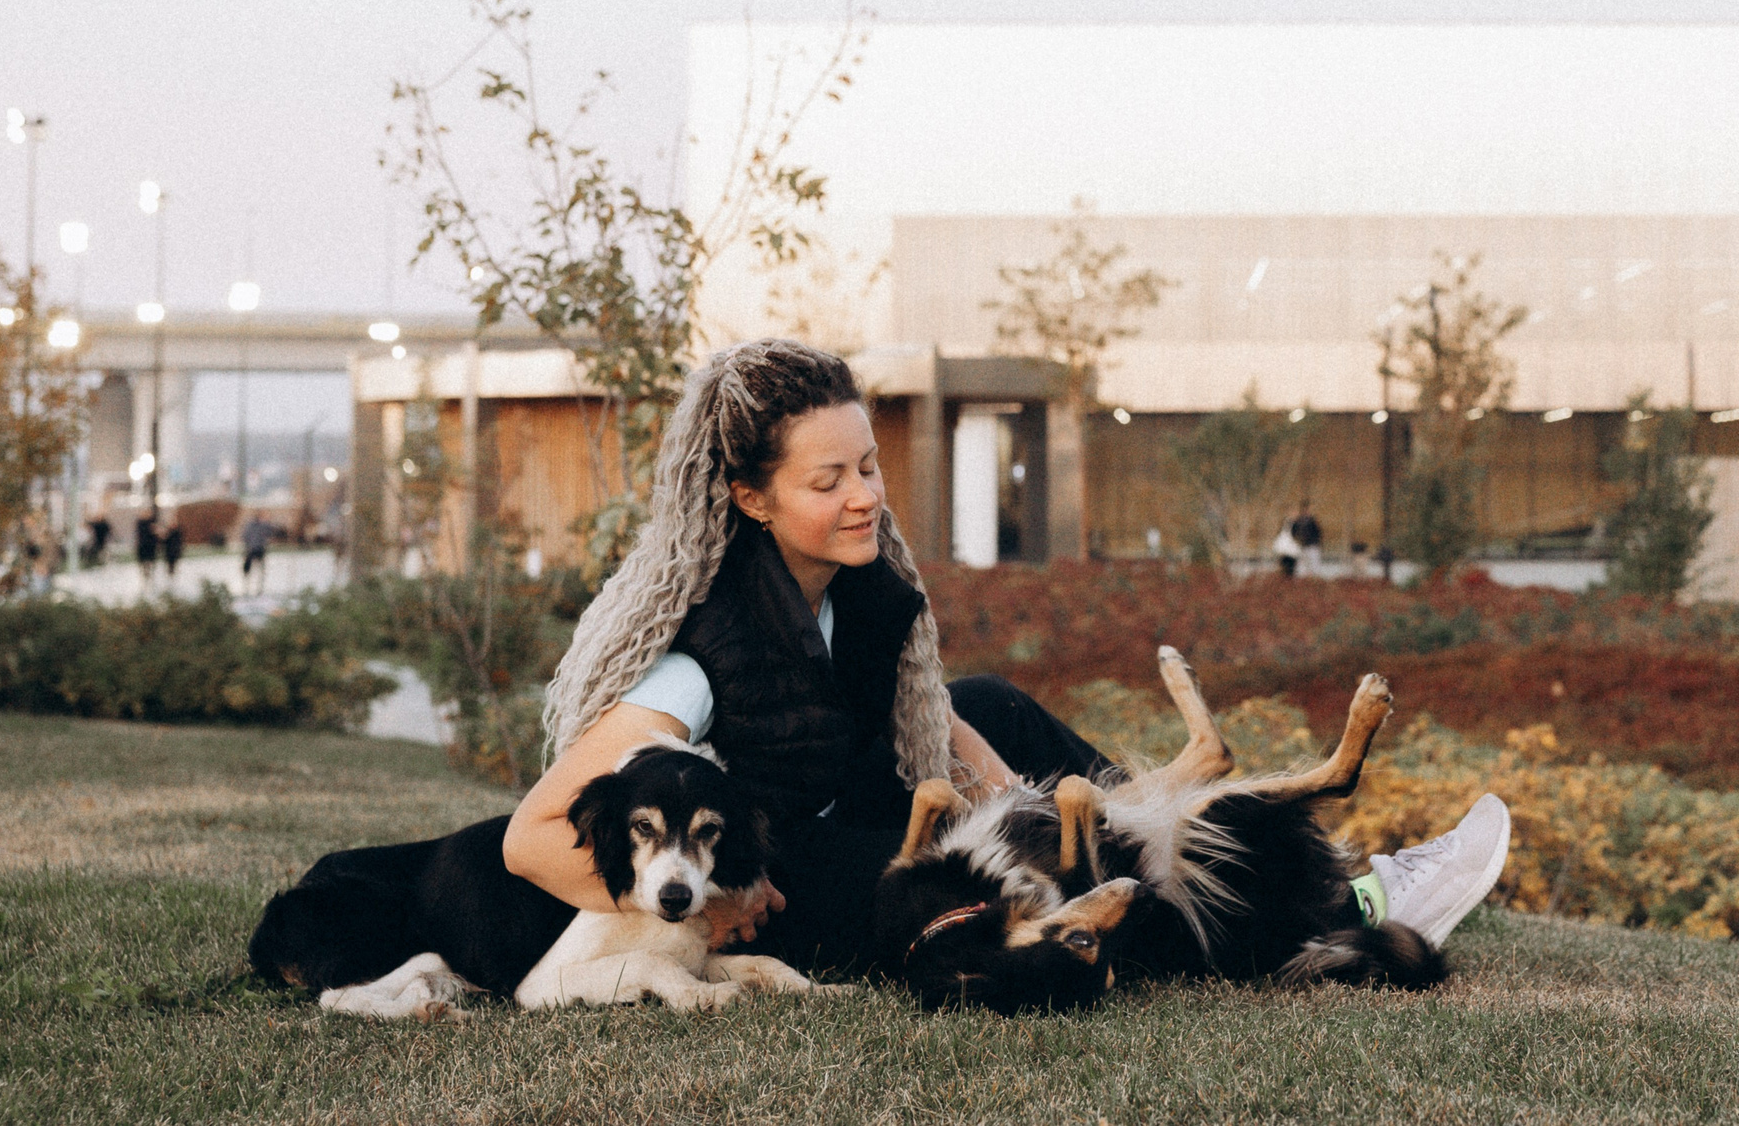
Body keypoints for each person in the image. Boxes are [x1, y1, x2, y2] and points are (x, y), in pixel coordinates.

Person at [508, 340, 1508, 977]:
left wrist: (1007, 782)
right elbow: (529, 837)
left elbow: (915, 713)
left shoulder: (854, 587)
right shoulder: (697, 650)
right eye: (829, 478)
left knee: (991, 707)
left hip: (845, 804)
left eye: (867, 464)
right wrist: (701, 895)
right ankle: (1334, 910)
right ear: (750, 496)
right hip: (803, 868)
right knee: (997, 874)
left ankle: (1251, 850)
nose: (864, 493)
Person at [241, 515, 272, 592]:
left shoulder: (250, 527)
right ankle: (254, 587)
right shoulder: (261, 526)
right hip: (257, 550)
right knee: (258, 569)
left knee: (253, 570)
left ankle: (251, 587)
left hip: (253, 550)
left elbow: (244, 537)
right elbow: (270, 532)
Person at [134, 512, 159, 586]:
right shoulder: (141, 524)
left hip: (150, 548)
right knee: (144, 564)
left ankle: (149, 578)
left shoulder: (152, 523)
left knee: (150, 564)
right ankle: (145, 578)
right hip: (143, 548)